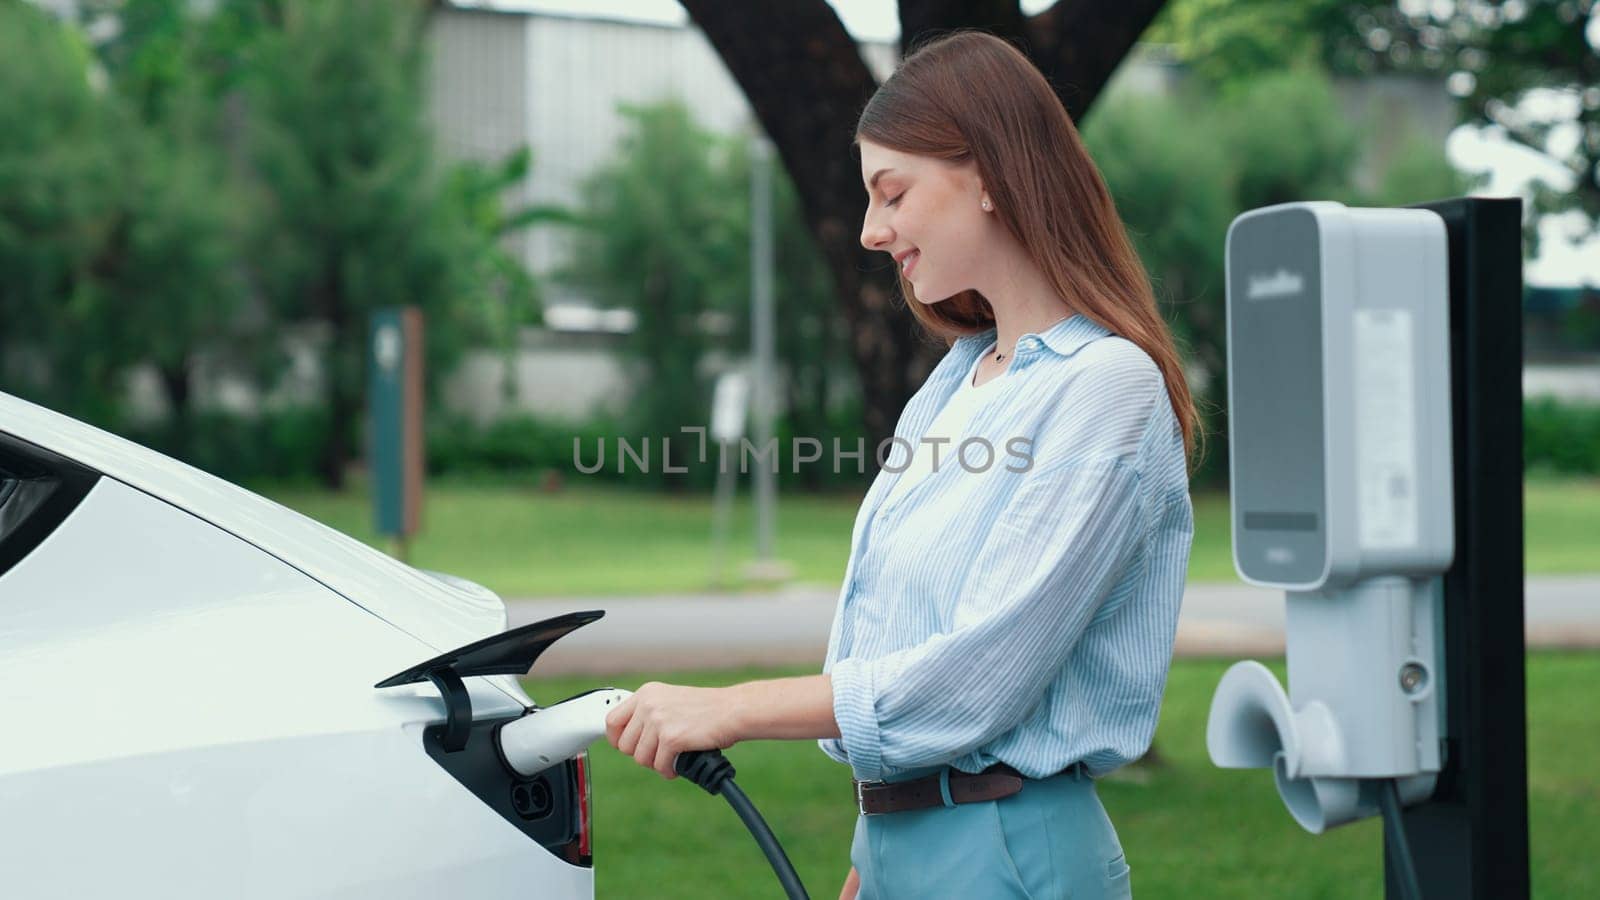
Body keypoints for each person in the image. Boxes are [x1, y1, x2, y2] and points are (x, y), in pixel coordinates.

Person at [604, 31, 1199, 899]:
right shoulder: (959, 380)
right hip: (901, 843)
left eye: (893, 193)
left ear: (990, 175)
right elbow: (908, 633)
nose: (872, 232)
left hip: (1009, 851)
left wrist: (726, 707)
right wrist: (876, 850)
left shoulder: (1106, 387)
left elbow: (973, 681)